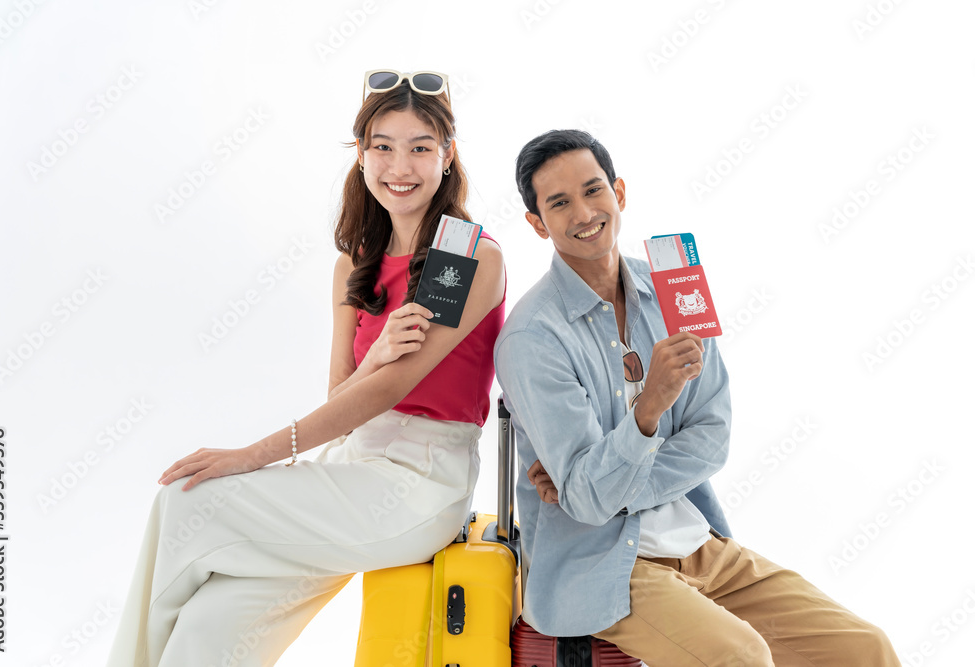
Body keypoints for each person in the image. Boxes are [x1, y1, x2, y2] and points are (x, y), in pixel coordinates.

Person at [105, 69, 505, 666]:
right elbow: (344, 396)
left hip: (417, 486)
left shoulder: (463, 256)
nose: (401, 166)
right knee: (209, 632)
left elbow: (392, 388)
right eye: (383, 147)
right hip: (346, 465)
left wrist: (249, 458)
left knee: (185, 503)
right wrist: (375, 352)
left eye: (421, 148)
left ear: (447, 156)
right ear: (362, 156)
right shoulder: (355, 264)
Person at [493, 129, 899, 666]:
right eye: (560, 202)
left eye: (594, 191)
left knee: (862, 648)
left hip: (699, 543)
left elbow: (711, 439)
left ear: (619, 192)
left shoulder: (673, 288)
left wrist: (609, 483)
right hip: (600, 565)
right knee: (740, 656)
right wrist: (648, 412)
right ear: (537, 223)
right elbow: (589, 506)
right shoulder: (532, 338)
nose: (584, 212)